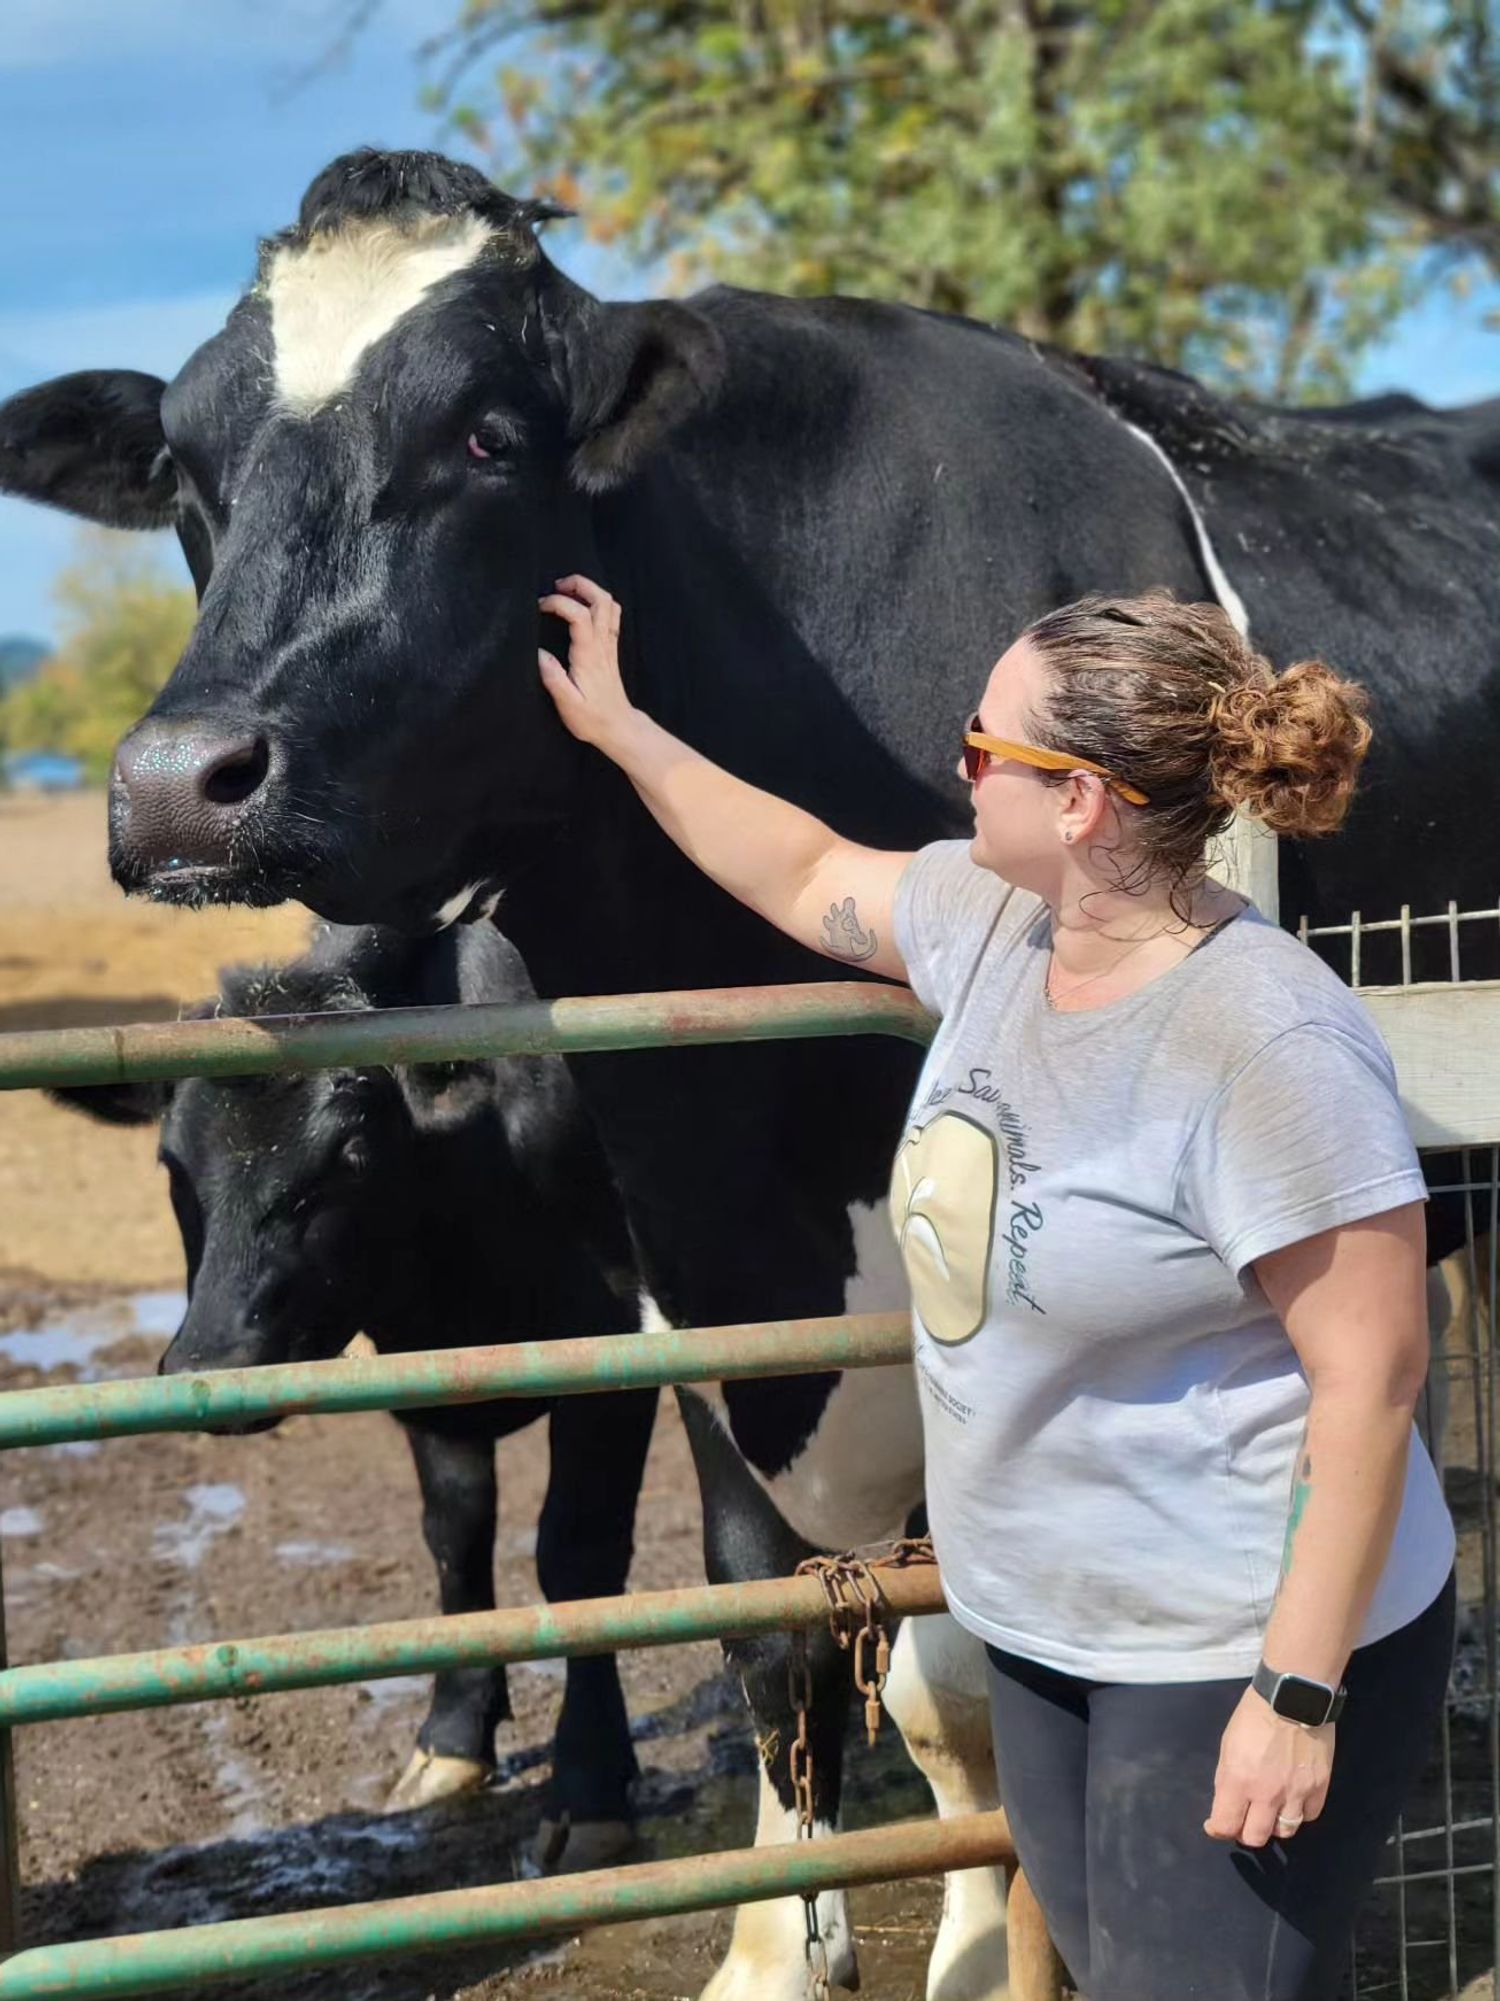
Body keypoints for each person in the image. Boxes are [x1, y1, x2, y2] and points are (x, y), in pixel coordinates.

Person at [536, 573, 1456, 2001]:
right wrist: (623, 729)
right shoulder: (994, 923)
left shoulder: (1264, 1041)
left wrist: (1295, 1690)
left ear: (1081, 802)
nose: (953, 763)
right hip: (1044, 1620)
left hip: (1225, 1634)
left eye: (982, 747)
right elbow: (797, 867)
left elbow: (1374, 1374)